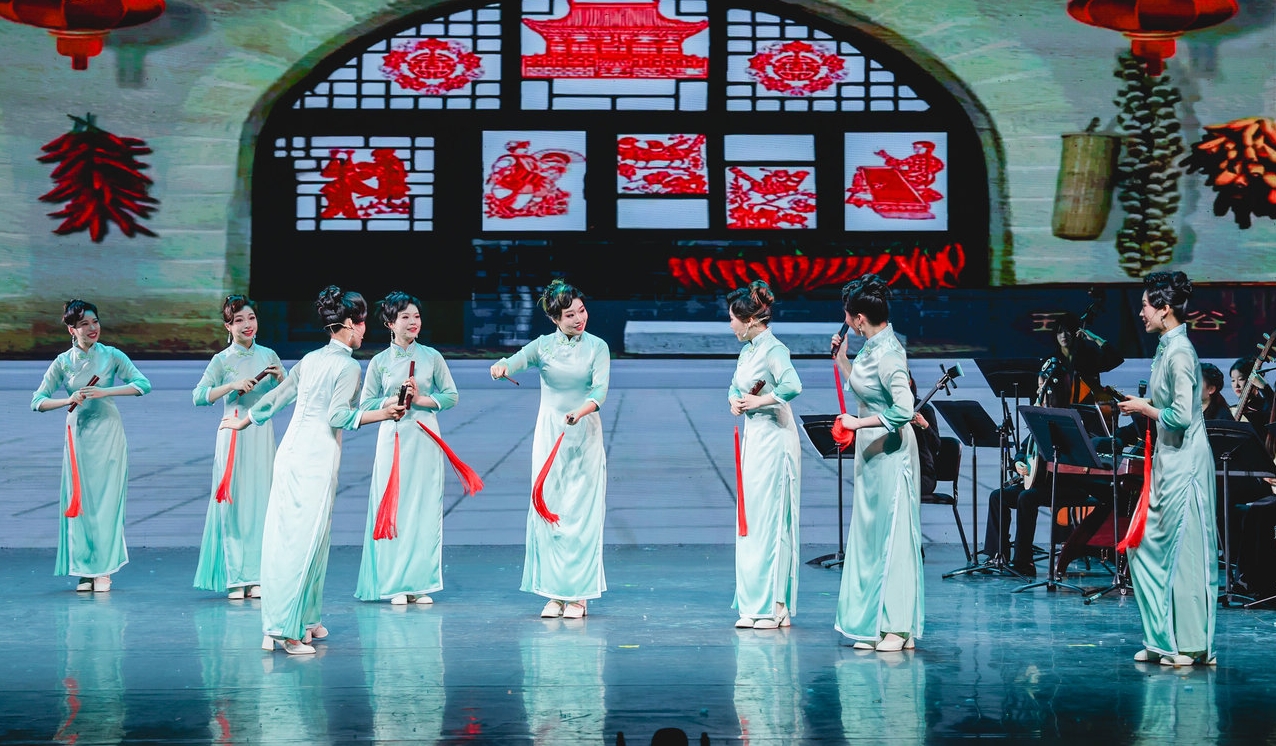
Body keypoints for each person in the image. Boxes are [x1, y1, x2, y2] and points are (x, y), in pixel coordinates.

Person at [222, 285, 404, 655]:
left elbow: (279, 396)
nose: (365, 330)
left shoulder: (311, 359)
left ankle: (304, 620)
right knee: (302, 543)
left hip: (291, 453)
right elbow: (338, 416)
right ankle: (283, 631)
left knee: (297, 539)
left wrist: (246, 420)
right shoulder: (348, 366)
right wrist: (384, 414)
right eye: (362, 323)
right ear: (349, 324)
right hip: (315, 458)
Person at [489, 279, 610, 619]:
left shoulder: (597, 347)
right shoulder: (542, 346)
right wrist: (501, 366)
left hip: (583, 433)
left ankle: (579, 595)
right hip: (550, 435)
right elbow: (515, 360)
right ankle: (555, 593)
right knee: (550, 510)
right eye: (570, 315)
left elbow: (599, 391)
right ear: (555, 319)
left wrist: (579, 412)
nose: (579, 319)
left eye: (581, 311)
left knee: (580, 513)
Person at [1118, 271, 1218, 667]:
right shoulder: (1167, 347)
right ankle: (1163, 639)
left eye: (1145, 305)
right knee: (1146, 548)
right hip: (1169, 458)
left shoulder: (1179, 352)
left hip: (1186, 463)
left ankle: (1188, 645)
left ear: (1164, 309)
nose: (1141, 312)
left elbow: (1180, 415)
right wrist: (1143, 405)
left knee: (1183, 552)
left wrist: (1145, 408)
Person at [32, 300, 151, 593]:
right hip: (79, 437)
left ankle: (104, 570)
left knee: (106, 503)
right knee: (82, 503)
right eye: (84, 324)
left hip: (109, 435)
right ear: (72, 330)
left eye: (95, 321)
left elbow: (142, 385)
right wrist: (67, 399)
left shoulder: (111, 355)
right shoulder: (63, 362)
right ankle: (86, 570)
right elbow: (38, 401)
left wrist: (104, 392)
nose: (92, 328)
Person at [831, 274, 922, 652]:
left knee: (893, 538)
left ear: (859, 319)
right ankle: (874, 624)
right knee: (871, 539)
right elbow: (866, 390)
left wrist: (857, 423)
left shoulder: (889, 354)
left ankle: (898, 628)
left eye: (847, 315)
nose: (845, 321)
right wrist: (841, 360)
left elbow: (903, 408)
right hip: (872, 454)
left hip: (892, 453)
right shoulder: (871, 348)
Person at [355, 291, 459, 605]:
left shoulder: (431, 357)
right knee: (395, 508)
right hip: (394, 438)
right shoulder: (379, 362)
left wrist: (422, 399)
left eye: (416, 316)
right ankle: (395, 584)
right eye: (405, 317)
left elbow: (451, 396)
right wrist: (392, 400)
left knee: (423, 508)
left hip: (425, 438)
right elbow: (365, 404)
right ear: (390, 323)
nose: (413, 322)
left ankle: (419, 583)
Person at [192, 295, 285, 599]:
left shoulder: (269, 355)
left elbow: (285, 398)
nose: (247, 325)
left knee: (261, 502)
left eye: (251, 318)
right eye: (239, 320)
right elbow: (199, 396)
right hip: (232, 434)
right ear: (228, 327)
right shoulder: (222, 360)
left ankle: (257, 575)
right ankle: (236, 577)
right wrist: (231, 385)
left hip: (261, 434)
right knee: (233, 504)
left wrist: (281, 379)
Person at [982, 357, 1108, 577]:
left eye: (1041, 387)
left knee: (1027, 498)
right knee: (998, 496)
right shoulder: (1040, 415)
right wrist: (1018, 462)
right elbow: (1025, 448)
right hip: (1043, 483)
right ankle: (997, 555)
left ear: (1052, 390)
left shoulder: (1069, 418)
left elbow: (1084, 452)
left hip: (1071, 485)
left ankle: (1024, 562)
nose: (1038, 391)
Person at [726, 281, 803, 630]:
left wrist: (761, 400)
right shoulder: (747, 351)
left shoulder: (774, 349)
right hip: (755, 439)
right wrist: (735, 399)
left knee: (773, 520)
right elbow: (735, 385)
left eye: (733, 319)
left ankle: (776, 605)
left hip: (775, 439)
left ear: (751, 321)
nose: (730, 325)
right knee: (753, 519)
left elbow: (792, 385)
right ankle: (755, 603)